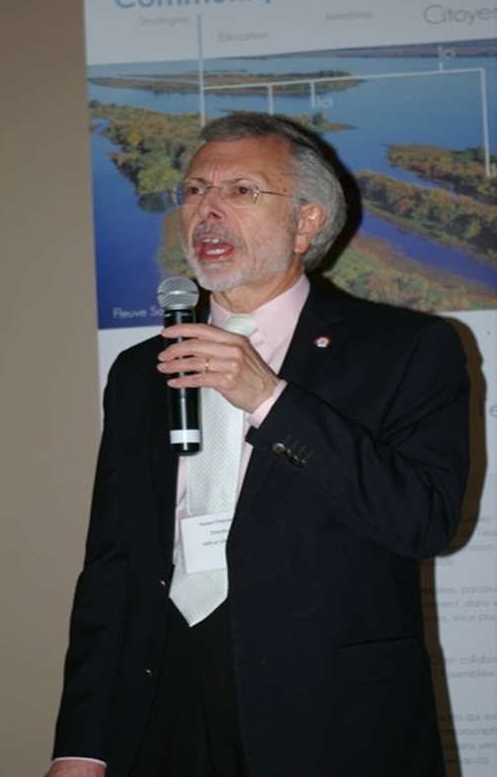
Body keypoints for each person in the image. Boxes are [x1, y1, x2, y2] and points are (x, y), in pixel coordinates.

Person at [46, 112, 469, 777]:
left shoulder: (408, 349)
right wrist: (81, 742)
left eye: (240, 191)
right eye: (192, 191)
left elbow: (422, 520)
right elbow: (112, 568)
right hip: (162, 706)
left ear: (306, 221)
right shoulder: (139, 371)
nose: (205, 210)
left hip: (329, 718)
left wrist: (269, 400)